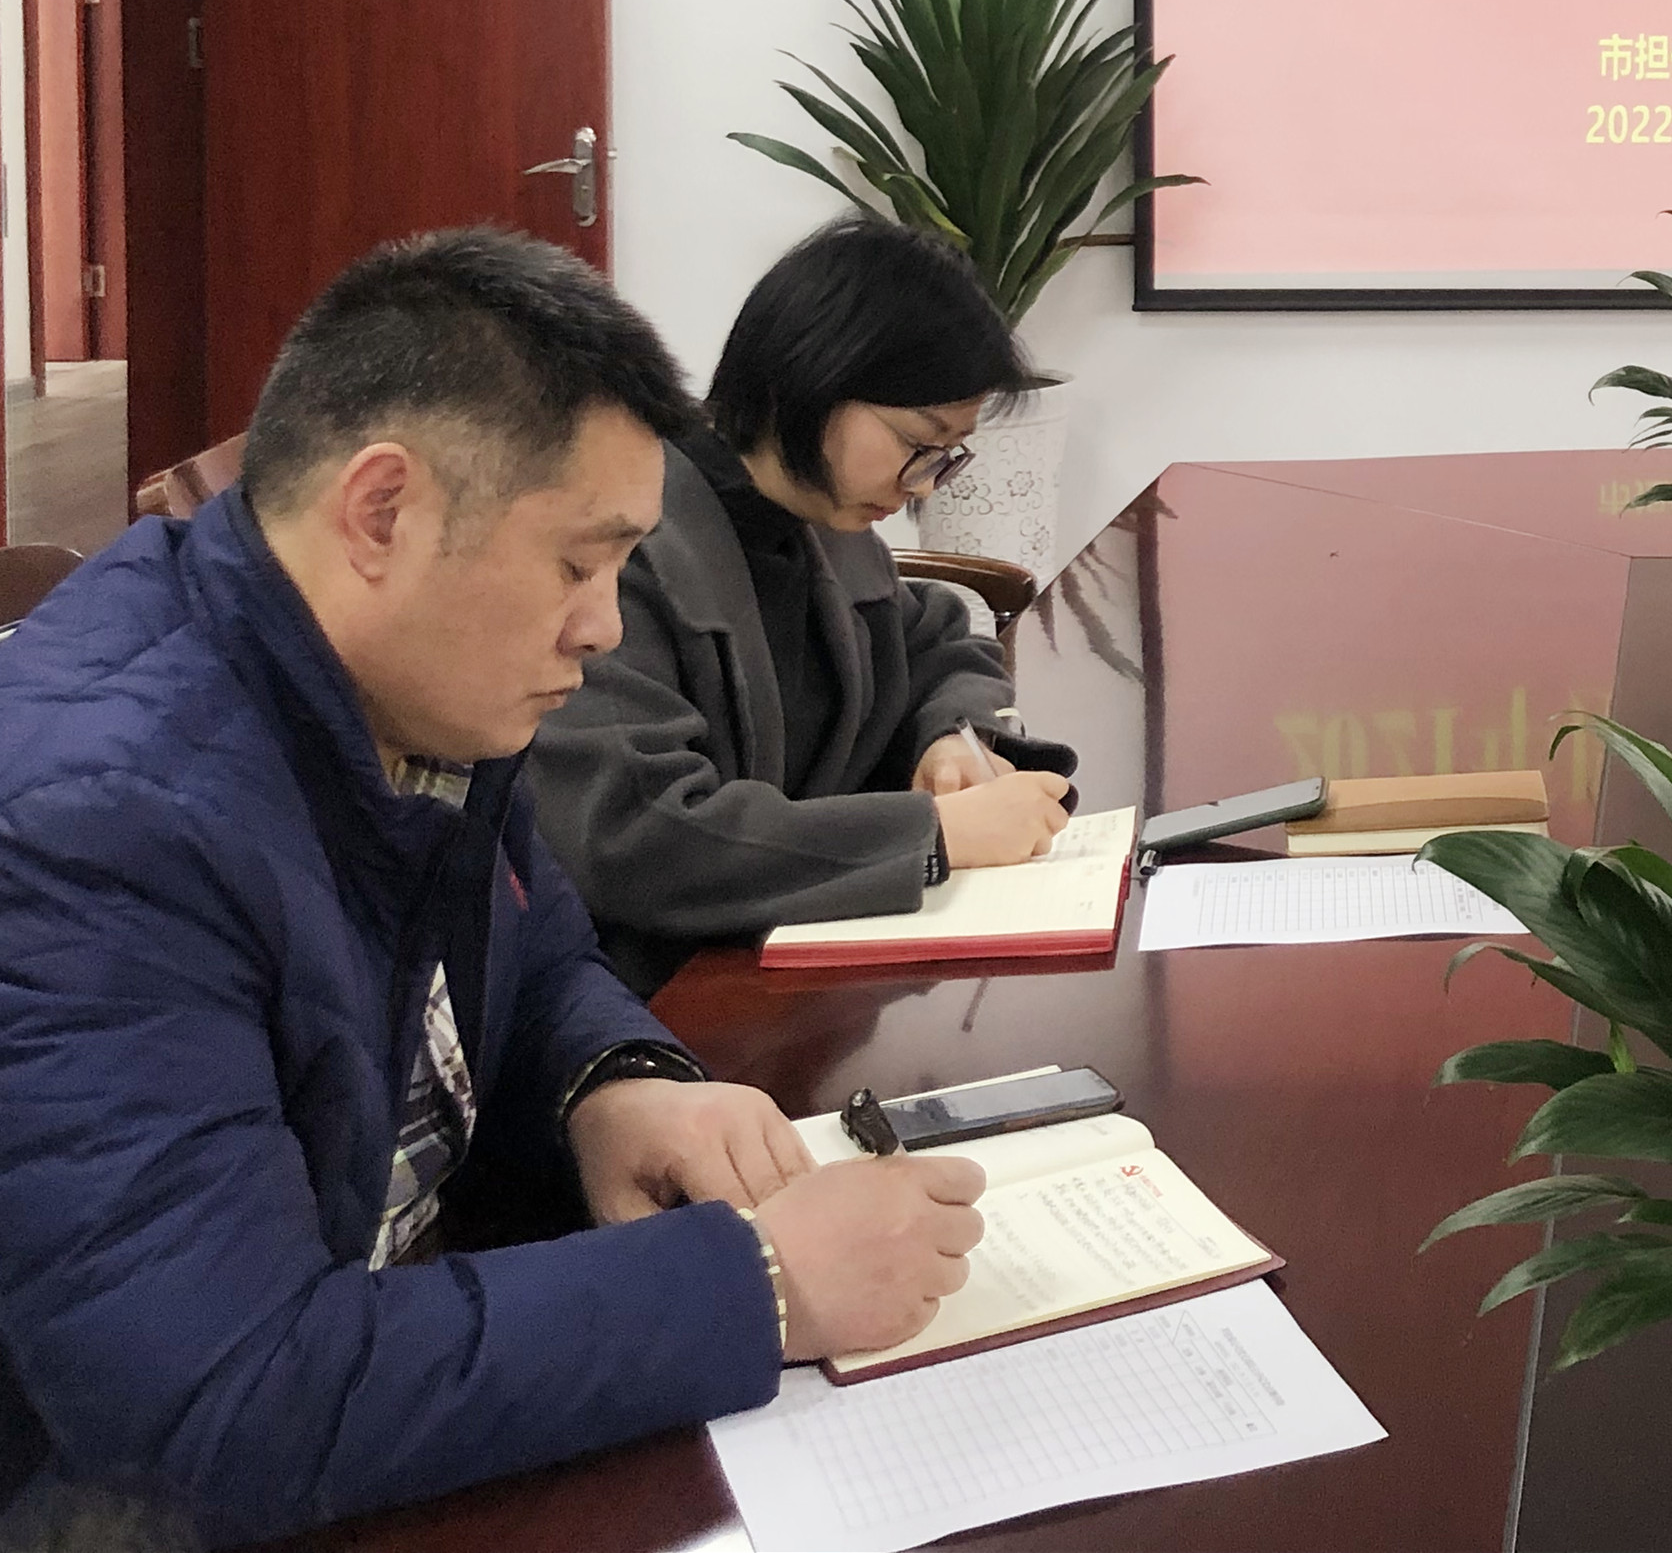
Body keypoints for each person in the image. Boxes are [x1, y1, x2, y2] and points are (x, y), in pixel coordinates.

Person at [0, 229, 986, 1547]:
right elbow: (221, 1401)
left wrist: (611, 1082)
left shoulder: (419, 683)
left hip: (385, 1342)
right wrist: (757, 1287)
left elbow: (538, 954)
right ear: (383, 512)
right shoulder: (99, 825)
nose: (606, 625)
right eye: (579, 563)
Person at [530, 216, 1075, 994]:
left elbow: (940, 641)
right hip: (652, 1000)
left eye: (945, 456)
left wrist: (954, 737)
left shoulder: (821, 521)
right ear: (812, 380)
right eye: (916, 444)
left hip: (793, 973)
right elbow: (636, 834)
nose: (923, 486)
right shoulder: (625, 550)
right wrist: (929, 837)